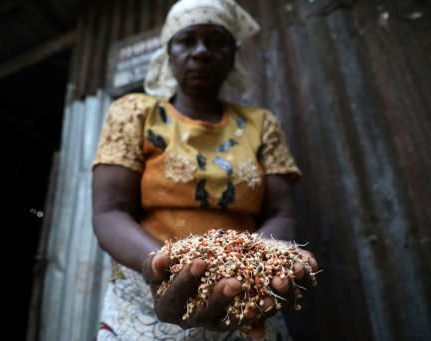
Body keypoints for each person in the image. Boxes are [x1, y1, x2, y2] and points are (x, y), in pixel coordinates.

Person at [91, 0, 319, 340]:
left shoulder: (260, 125)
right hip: (145, 295)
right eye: (187, 40)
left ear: (232, 55)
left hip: (243, 285)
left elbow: (281, 212)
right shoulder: (134, 113)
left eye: (216, 41)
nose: (201, 52)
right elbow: (109, 211)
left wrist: (255, 261)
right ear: (169, 53)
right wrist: (161, 265)